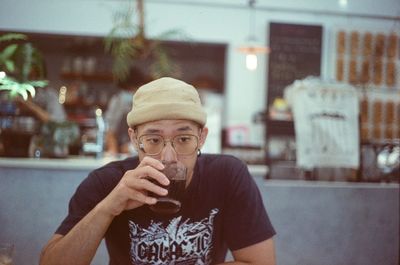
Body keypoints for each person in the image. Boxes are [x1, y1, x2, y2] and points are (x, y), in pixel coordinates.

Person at [40, 77, 276, 265]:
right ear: (134, 138)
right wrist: (108, 207)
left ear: (202, 137)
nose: (168, 157)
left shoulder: (227, 175)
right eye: (153, 140)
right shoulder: (106, 182)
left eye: (184, 139)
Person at [104, 67, 149, 156]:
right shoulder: (119, 100)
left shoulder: (144, 100)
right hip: (123, 149)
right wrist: (113, 150)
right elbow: (110, 129)